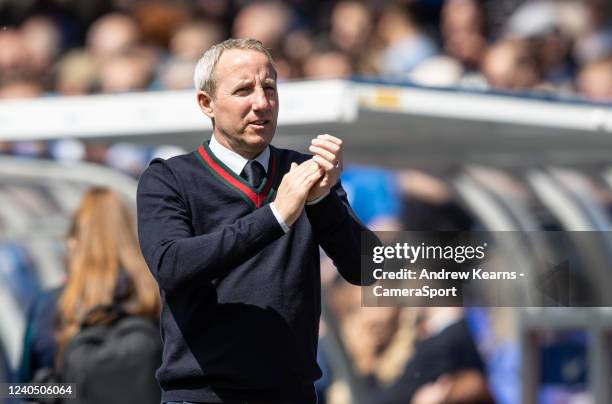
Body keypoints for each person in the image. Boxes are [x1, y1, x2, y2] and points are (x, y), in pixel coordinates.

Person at [137, 38, 379, 404]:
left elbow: (368, 268)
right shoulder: (169, 178)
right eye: (243, 90)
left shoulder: (303, 171)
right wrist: (276, 216)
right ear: (207, 104)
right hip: (203, 396)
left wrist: (323, 200)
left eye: (269, 88)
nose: (261, 103)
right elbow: (172, 266)